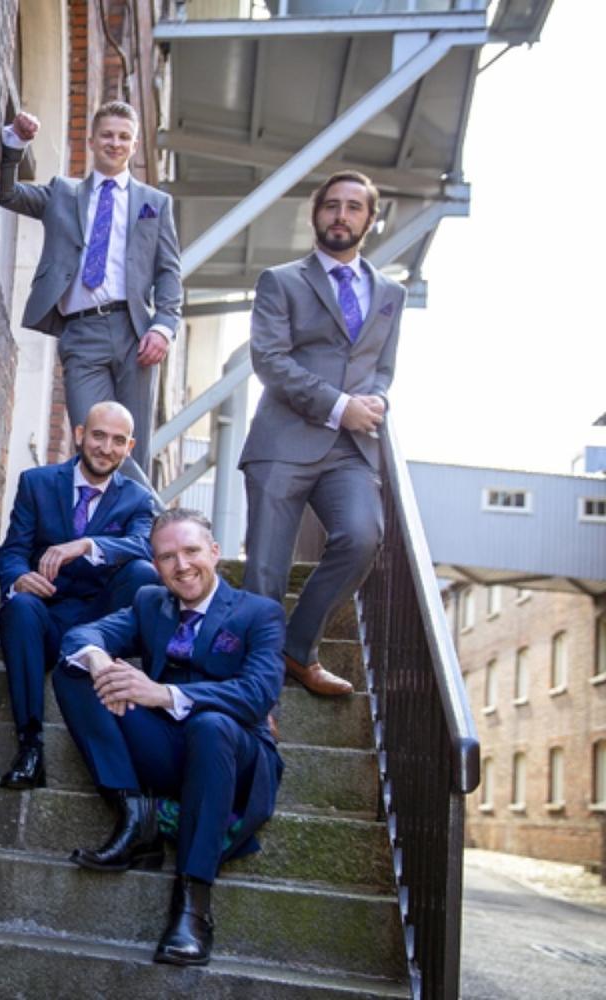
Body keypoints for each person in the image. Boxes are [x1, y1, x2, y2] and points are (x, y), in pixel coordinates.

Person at [52, 508, 284, 966]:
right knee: (74, 669)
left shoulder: (259, 613)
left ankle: (193, 904)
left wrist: (164, 693)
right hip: (167, 750)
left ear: (214, 552)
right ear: (155, 565)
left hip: (233, 757)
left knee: (211, 724)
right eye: (167, 557)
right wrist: (100, 660)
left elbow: (256, 695)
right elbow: (83, 634)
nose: (182, 566)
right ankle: (135, 813)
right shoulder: (149, 604)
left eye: (192, 551)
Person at [239, 169, 404, 699]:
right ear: (316, 215)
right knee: (266, 571)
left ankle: (296, 648)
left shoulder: (390, 294)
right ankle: (258, 693)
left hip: (350, 451)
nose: (341, 215)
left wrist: (376, 397)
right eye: (331, 205)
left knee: (361, 537)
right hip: (283, 443)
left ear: (369, 220)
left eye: (354, 207)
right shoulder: (281, 281)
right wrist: (338, 406)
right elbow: (269, 360)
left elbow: (382, 365)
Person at [0, 101, 183, 474]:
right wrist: (15, 143)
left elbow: (168, 271)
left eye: (124, 137)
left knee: (133, 446)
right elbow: (9, 194)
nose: (115, 143)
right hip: (82, 333)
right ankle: (160, 519)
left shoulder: (155, 204)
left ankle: (134, 528)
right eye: (108, 136)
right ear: (92, 141)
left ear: (133, 146)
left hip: (136, 334)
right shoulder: (64, 194)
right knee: (95, 441)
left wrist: (164, 326)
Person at [0, 401, 160, 790]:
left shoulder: (137, 498)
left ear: (129, 447)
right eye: (99, 435)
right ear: (80, 434)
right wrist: (18, 579)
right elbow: (13, 550)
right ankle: (30, 747)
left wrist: (85, 544)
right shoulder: (37, 482)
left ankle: (115, 677)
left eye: (118, 441)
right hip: (47, 615)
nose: (106, 447)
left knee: (142, 574)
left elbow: (143, 546)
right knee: (18, 607)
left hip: (102, 622)